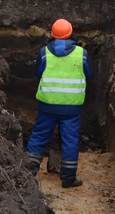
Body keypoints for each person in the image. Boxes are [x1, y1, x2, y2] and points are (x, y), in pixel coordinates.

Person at [26, 18, 92, 188]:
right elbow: (88, 74)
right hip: (72, 106)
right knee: (70, 139)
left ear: (53, 34)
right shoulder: (81, 53)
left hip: (48, 104)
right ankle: (68, 178)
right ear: (71, 33)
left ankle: (27, 173)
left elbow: (38, 73)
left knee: (39, 136)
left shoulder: (43, 52)